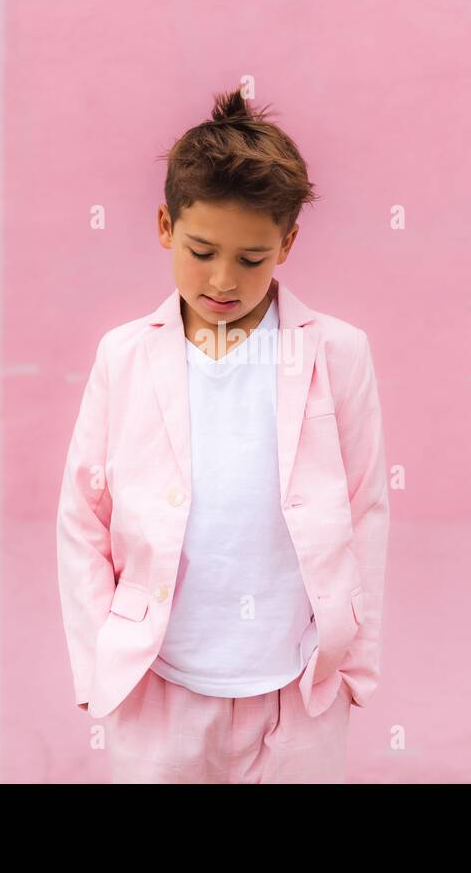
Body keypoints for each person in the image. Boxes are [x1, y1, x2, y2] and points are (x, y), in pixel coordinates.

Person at [56, 87, 390, 783]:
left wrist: (352, 666)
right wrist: (100, 665)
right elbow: (83, 518)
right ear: (164, 226)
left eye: (251, 258)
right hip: (159, 684)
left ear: (287, 244)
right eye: (202, 250)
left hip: (297, 686)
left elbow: (365, 510)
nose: (222, 279)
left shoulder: (338, 352)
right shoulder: (125, 356)